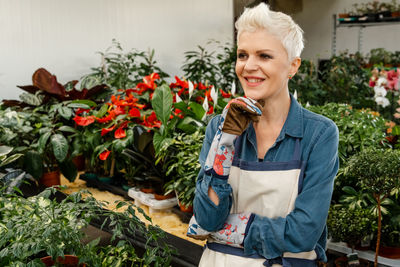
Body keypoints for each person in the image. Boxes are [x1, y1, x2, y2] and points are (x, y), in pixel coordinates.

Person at [187, 3, 339, 267]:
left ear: (293, 66)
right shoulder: (219, 128)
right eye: (243, 55)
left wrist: (230, 231)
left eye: (264, 56)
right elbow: (207, 218)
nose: (249, 66)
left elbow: (303, 233)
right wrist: (226, 141)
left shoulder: (318, 134)